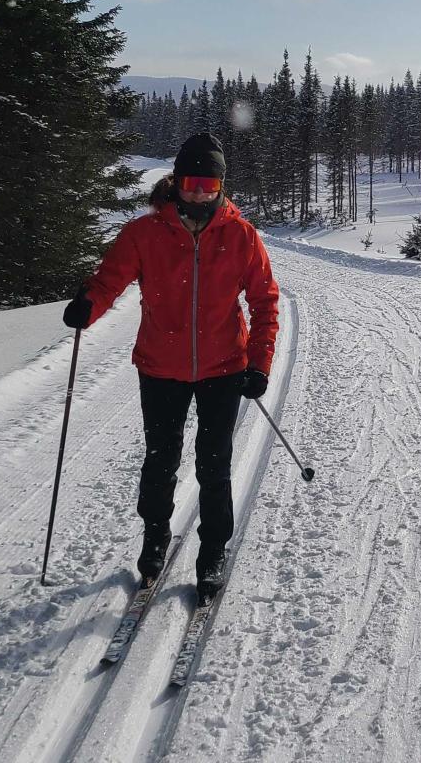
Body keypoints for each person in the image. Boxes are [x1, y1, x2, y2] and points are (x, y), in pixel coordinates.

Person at [63, 133, 279, 600]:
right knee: (161, 460)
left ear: (221, 185)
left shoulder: (241, 235)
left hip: (224, 368)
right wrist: (88, 306)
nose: (200, 190)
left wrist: (258, 362)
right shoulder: (144, 233)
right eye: (192, 180)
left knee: (214, 464)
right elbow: (108, 281)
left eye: (209, 182)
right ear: (176, 180)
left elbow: (265, 301)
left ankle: (213, 551)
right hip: (161, 367)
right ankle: (155, 536)